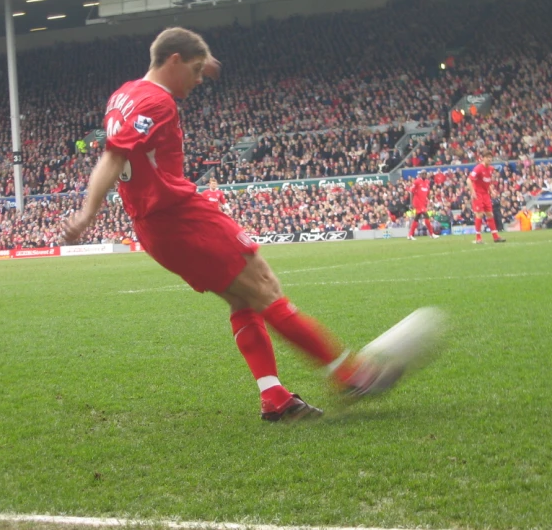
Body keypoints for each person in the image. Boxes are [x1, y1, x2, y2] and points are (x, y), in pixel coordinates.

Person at [63, 27, 442, 422]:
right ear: (173, 60)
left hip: (157, 226)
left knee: (244, 298)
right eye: (193, 70)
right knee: (264, 289)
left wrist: (202, 60)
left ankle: (275, 397)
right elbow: (114, 156)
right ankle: (351, 375)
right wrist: (89, 211)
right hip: (179, 216)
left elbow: (131, 132)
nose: (197, 80)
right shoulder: (156, 102)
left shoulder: (124, 94)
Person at [467, 151, 506, 245]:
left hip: (485, 195)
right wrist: (473, 192)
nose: (489, 159)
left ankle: (496, 237)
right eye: (487, 157)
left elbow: (487, 182)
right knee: (479, 214)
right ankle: (478, 238)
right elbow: (468, 180)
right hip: (478, 194)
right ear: (483, 158)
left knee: (490, 214)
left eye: (490, 157)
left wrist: (491, 190)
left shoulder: (491, 169)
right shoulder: (478, 168)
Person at [407, 169, 439, 241]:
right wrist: (411, 203)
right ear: (420, 175)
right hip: (417, 202)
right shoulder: (417, 181)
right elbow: (411, 192)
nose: (424, 175)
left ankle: (410, 235)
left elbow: (427, 193)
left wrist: (430, 200)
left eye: (425, 174)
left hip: (423, 202)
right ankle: (431, 234)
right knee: (426, 215)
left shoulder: (427, 182)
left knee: (417, 218)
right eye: (422, 174)